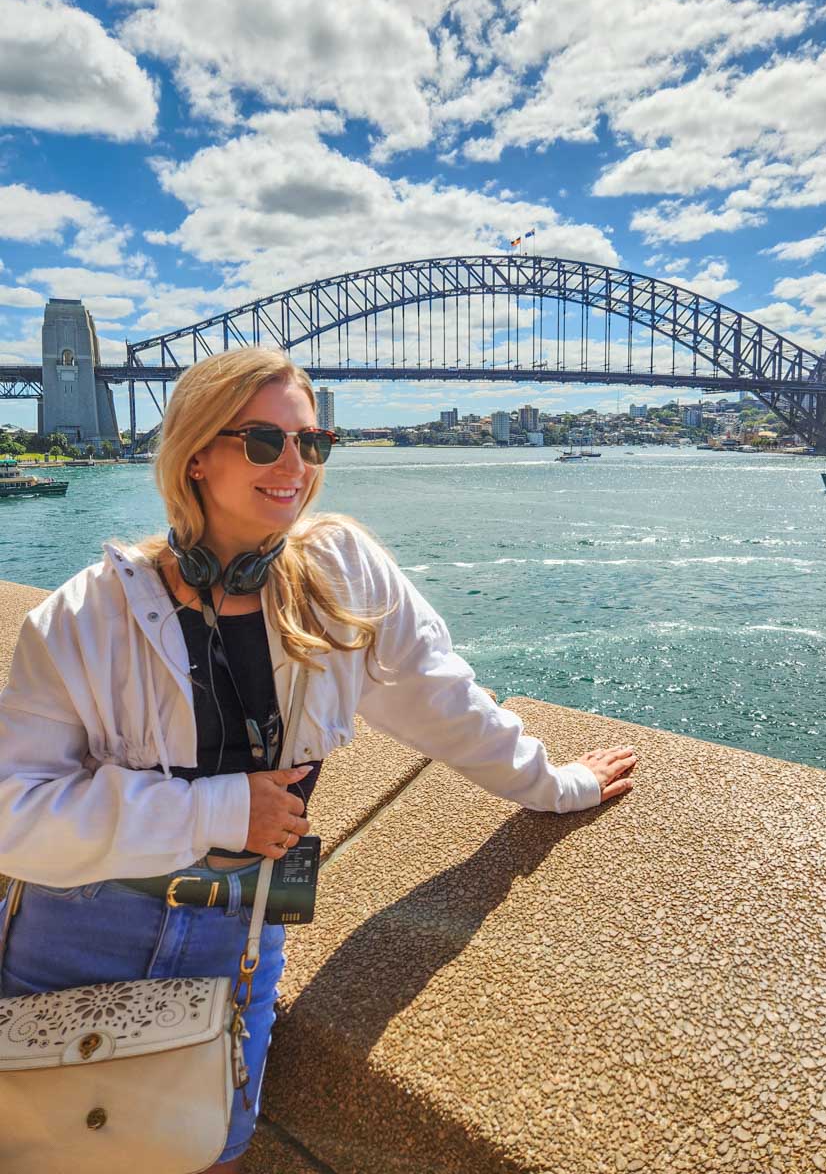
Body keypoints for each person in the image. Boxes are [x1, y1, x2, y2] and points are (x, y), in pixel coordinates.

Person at [0, 347, 636, 1172]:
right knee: (40, 1147)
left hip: (239, 931)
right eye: (264, 441)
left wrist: (559, 784)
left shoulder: (340, 574)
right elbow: (13, 813)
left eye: (312, 441)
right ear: (196, 453)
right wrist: (222, 811)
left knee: (208, 1150)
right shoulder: (83, 616)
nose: (294, 465)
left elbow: (446, 704)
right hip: (77, 928)